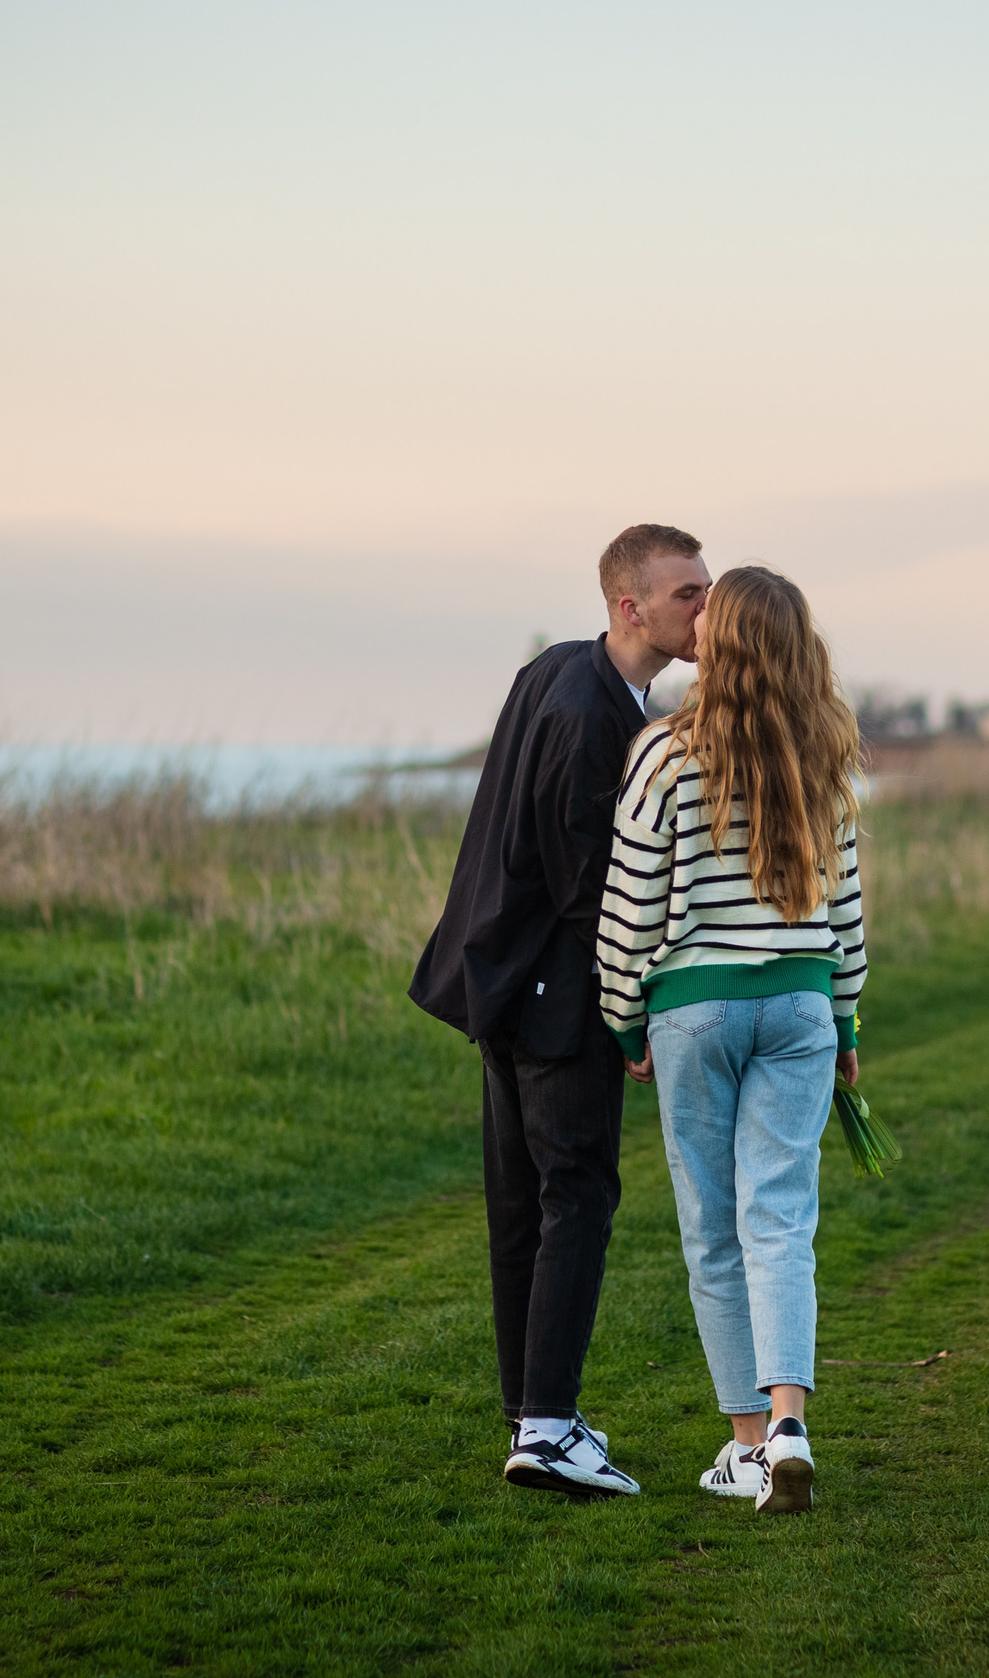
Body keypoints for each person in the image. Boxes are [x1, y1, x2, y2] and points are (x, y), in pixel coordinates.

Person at [410, 524, 712, 1496]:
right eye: (687, 596)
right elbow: (594, 889)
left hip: (495, 979)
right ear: (630, 606)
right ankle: (545, 1427)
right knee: (574, 1197)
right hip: (554, 996)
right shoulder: (595, 716)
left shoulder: (559, 673)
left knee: (522, 1205)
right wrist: (632, 1010)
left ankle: (533, 1410)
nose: (705, 610)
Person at [597, 564, 866, 1515]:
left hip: (695, 1008)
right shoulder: (824, 752)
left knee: (713, 1226)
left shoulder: (665, 753)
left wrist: (623, 1014)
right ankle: (791, 1419)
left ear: (728, 640)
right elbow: (847, 904)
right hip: (800, 1001)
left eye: (711, 611)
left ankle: (748, 1446)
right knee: (782, 1219)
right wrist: (846, 1020)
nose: (695, 620)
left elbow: (631, 904)